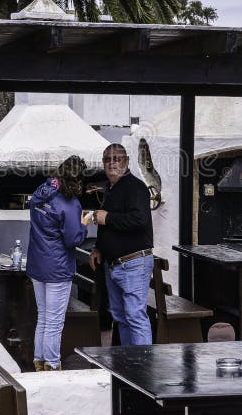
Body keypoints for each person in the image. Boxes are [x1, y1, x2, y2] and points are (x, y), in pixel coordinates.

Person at [26, 155, 91, 371]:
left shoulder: (40, 194)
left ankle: (39, 362)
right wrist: (84, 223)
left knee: (43, 316)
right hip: (57, 268)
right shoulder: (70, 204)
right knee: (54, 321)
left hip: (37, 265)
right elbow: (73, 239)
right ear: (78, 180)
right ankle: (52, 365)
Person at [88, 143, 154, 346]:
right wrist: (98, 247)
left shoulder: (136, 187)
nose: (112, 163)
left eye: (116, 158)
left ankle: (143, 369)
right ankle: (128, 366)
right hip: (113, 264)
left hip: (133, 263)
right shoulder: (110, 188)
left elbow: (139, 220)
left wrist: (107, 218)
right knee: (120, 317)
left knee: (135, 316)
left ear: (126, 161)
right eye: (107, 159)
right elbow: (106, 224)